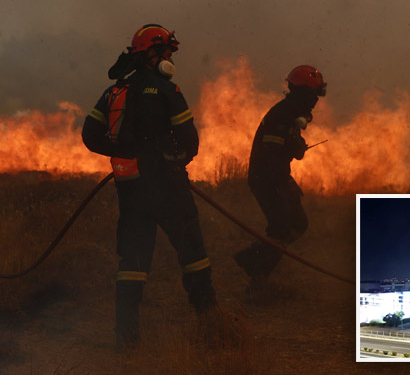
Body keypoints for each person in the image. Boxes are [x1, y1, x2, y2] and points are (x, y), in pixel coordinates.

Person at [82, 24, 218, 350]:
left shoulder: (114, 92)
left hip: (130, 189)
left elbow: (90, 135)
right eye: (168, 52)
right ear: (153, 55)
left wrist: (123, 151)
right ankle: (211, 323)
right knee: (193, 254)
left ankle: (126, 338)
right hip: (168, 188)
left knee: (133, 262)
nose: (171, 57)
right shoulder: (167, 90)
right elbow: (190, 141)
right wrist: (175, 160)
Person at [233, 65, 326, 292]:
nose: (316, 100)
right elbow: (272, 155)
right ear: (303, 93)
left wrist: (296, 147)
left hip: (275, 177)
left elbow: (285, 147)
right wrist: (285, 185)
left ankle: (251, 260)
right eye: (314, 94)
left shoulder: (292, 114)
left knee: (297, 224)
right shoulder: (283, 115)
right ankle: (257, 275)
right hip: (267, 178)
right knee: (281, 227)